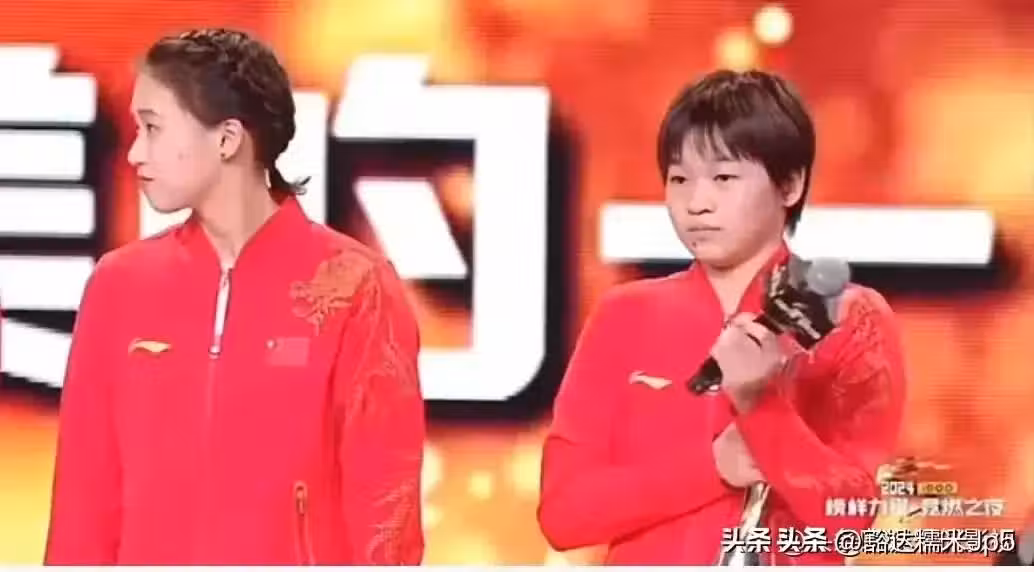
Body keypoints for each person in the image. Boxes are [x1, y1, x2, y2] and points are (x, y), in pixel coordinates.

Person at [44, 29, 425, 565]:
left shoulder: (356, 288)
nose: (135, 152)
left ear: (227, 139)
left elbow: (386, 517)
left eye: (153, 128)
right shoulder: (119, 285)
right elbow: (82, 513)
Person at [537, 69, 906, 565]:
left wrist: (761, 408)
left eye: (723, 178)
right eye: (679, 179)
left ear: (790, 183)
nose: (696, 203)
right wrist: (713, 468)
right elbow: (563, 513)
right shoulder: (624, 314)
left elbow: (851, 518)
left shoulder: (850, 318)